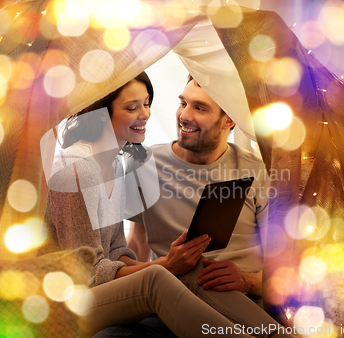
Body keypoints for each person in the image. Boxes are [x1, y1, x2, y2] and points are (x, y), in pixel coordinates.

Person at [39, 72, 280, 338]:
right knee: (158, 278)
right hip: (67, 297)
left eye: (146, 104)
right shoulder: (79, 169)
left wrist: (174, 265)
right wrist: (165, 265)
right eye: (132, 107)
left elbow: (118, 249)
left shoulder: (116, 166)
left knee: (190, 268)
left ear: (229, 119)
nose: (145, 115)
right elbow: (88, 272)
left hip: (230, 296)